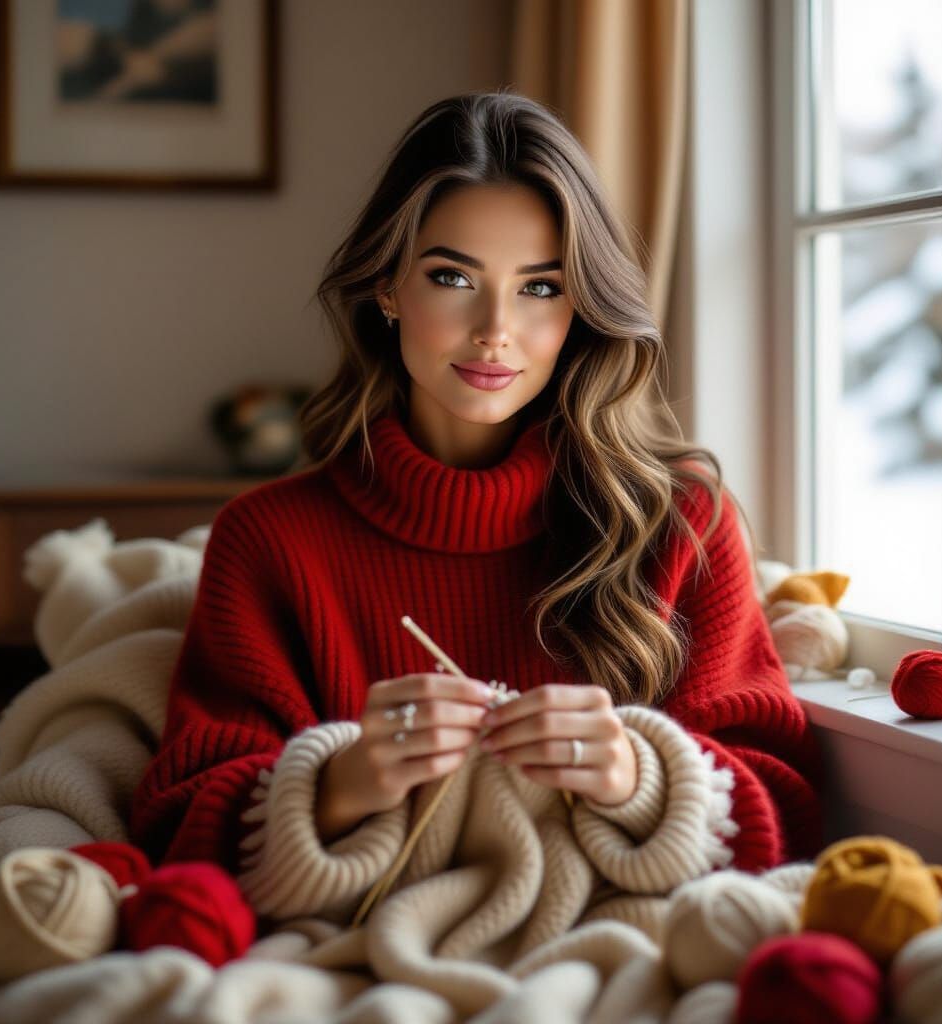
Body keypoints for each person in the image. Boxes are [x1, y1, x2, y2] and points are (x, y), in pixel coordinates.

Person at [129, 90, 823, 888]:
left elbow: (786, 811)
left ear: (581, 309)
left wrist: (639, 773)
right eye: (453, 276)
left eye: (540, 287)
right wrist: (338, 784)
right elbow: (177, 830)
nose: (496, 329)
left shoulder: (681, 521)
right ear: (387, 287)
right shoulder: (268, 538)